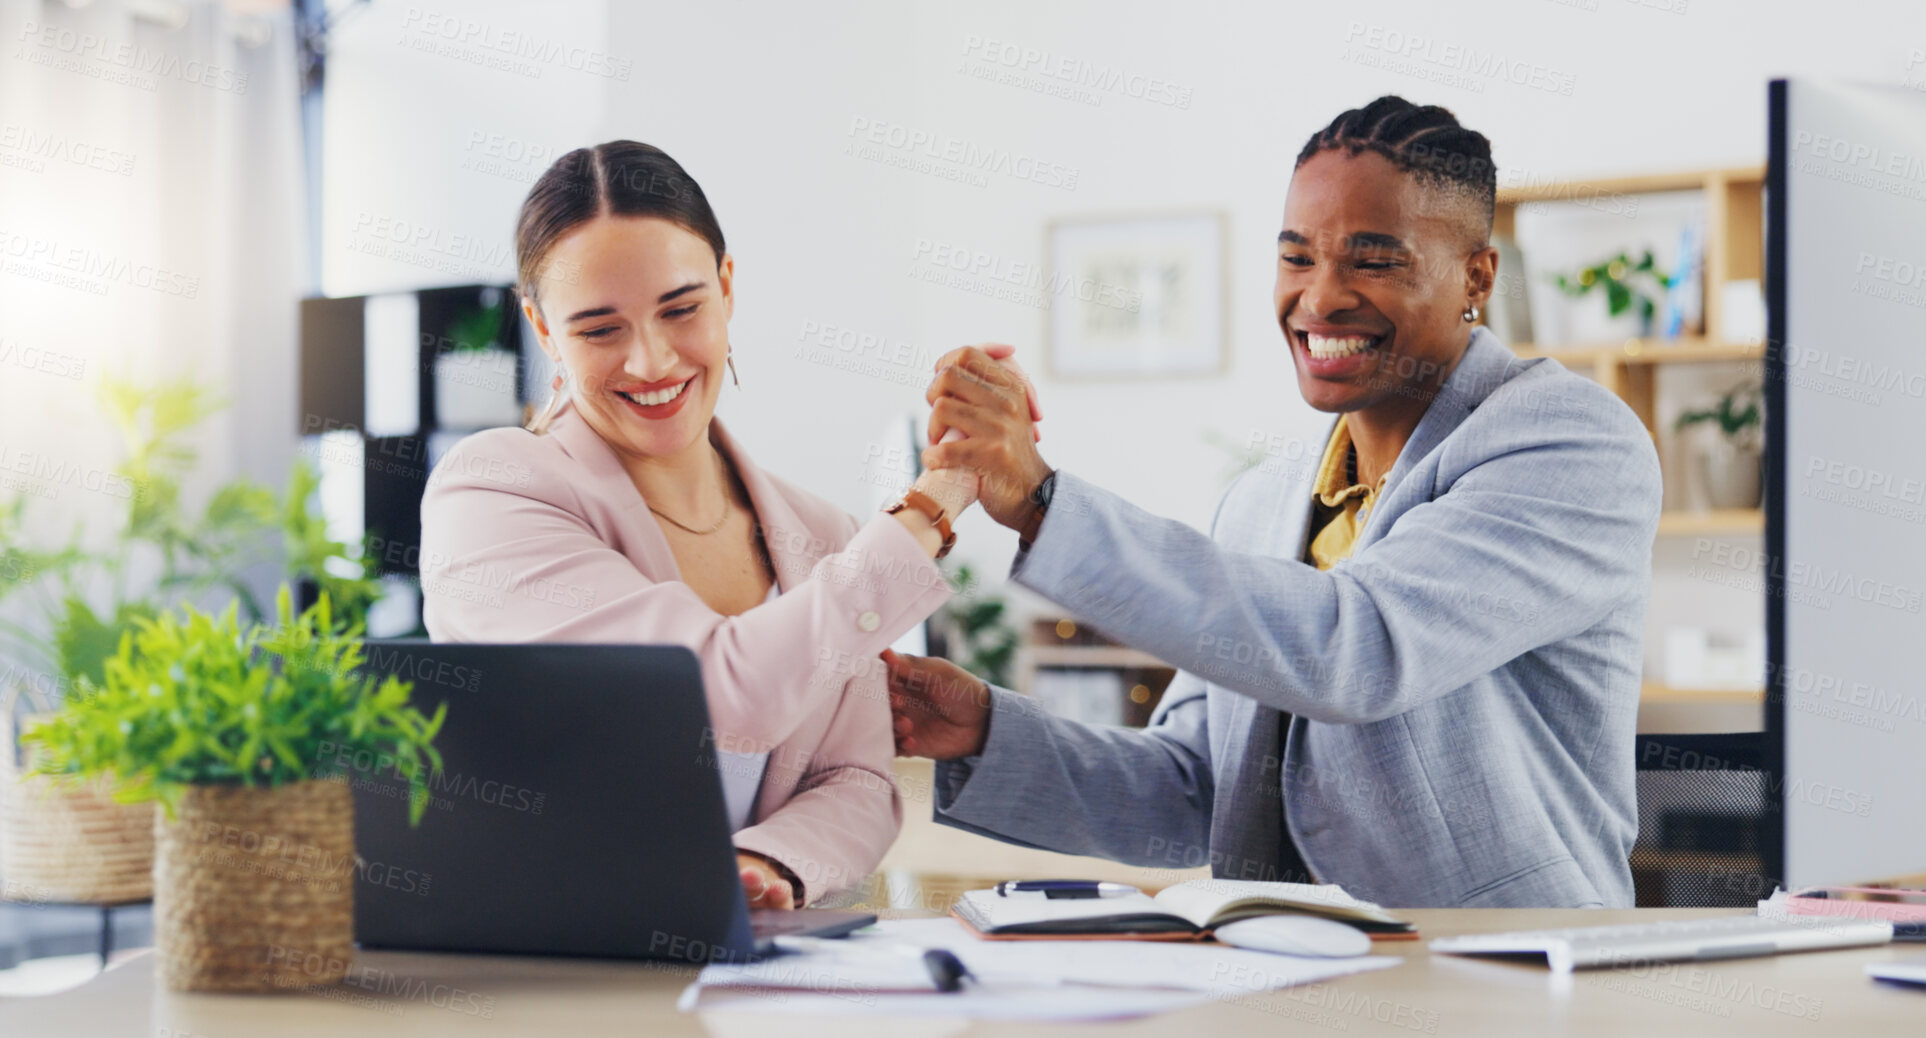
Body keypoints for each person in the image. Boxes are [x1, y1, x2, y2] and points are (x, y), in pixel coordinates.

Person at [887, 96, 1664, 908]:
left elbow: (1356, 650)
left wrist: (1043, 504)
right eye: (1296, 258)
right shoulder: (1260, 503)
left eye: (1372, 261)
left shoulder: (1569, 442)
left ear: (1477, 276)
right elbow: (1197, 793)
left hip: (1504, 972)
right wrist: (983, 729)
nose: (1320, 298)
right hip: (1286, 962)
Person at [419, 141, 1011, 910]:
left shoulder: (822, 532)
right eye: (600, 330)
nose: (651, 361)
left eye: (681, 308)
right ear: (542, 330)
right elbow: (713, 698)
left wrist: (765, 864)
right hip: (550, 977)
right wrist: (935, 502)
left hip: (750, 971)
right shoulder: (494, 491)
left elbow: (858, 780)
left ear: (727, 288)